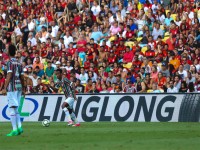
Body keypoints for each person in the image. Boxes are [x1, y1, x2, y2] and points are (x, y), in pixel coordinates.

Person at [2, 45, 25, 136]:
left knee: (11, 108)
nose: (6, 50)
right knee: (16, 108)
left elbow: (9, 75)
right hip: (19, 87)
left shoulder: (9, 62)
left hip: (12, 87)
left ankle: (14, 129)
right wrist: (23, 88)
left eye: (7, 49)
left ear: (9, 51)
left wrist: (4, 88)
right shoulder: (19, 63)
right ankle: (19, 127)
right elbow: (22, 77)